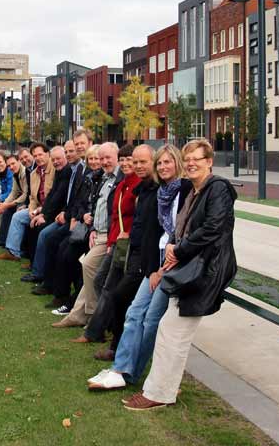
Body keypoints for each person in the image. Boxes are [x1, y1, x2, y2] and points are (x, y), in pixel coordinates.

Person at [123, 138, 238, 410]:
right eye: (188, 160)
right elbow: (180, 226)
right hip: (188, 269)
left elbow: (213, 228)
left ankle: (159, 393)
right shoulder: (195, 192)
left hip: (204, 273)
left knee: (172, 331)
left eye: (197, 159)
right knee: (169, 330)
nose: (191, 164)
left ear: (209, 162)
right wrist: (175, 245)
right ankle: (160, 390)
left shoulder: (218, 188)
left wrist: (180, 248)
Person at [87, 143, 191, 390]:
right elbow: (152, 233)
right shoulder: (157, 191)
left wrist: (159, 269)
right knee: (136, 314)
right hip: (153, 263)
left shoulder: (183, 190)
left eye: (167, 162)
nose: (163, 167)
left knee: (149, 319)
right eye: (161, 163)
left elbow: (178, 234)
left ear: (177, 163)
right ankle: (122, 369)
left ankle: (128, 370)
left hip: (170, 266)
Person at [73, 143, 139, 350]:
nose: (126, 163)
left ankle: (98, 329)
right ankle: (103, 325)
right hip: (116, 241)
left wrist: (118, 239)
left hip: (128, 243)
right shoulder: (122, 184)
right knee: (104, 281)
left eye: (132, 160)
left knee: (108, 284)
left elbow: (135, 218)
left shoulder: (136, 184)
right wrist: (111, 241)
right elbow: (114, 216)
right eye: (125, 160)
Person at [52, 142, 120, 327]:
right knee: (70, 254)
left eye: (106, 158)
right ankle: (77, 313)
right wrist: (91, 228)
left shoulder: (116, 178)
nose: (102, 162)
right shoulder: (103, 178)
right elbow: (90, 205)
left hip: (110, 236)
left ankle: (92, 315)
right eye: (99, 158)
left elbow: (115, 213)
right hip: (95, 232)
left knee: (87, 265)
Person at [24, 141, 82, 286]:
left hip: (64, 215)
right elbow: (51, 195)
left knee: (45, 235)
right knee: (34, 227)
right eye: (54, 159)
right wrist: (40, 213)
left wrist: (45, 215)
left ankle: (41, 274)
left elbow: (60, 197)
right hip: (58, 213)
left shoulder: (69, 171)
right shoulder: (62, 171)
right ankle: (37, 269)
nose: (56, 162)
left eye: (59, 158)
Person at [0, 143, 54, 262]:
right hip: (34, 206)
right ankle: (11, 248)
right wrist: (4, 204)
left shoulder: (36, 170)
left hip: (44, 208)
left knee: (16, 215)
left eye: (27, 157)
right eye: (22, 159)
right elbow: (22, 193)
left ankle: (17, 252)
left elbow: (29, 194)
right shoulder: (29, 172)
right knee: (13, 214)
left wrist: (28, 207)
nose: (25, 160)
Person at [0, 154, 28, 248]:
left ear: (19, 161)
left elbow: (25, 194)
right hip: (22, 199)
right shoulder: (14, 174)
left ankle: (13, 243)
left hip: (26, 201)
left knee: (14, 212)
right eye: (9, 165)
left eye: (13, 164)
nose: (11, 167)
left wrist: (8, 204)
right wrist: (4, 205)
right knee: (4, 210)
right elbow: (13, 192)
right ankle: (2, 239)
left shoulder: (24, 173)